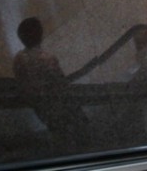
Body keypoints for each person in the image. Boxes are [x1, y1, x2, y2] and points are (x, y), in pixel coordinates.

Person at [14, 17, 90, 150]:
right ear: (40, 34)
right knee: (74, 131)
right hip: (56, 104)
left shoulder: (18, 59)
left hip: (38, 105)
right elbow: (61, 84)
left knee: (58, 131)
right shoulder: (47, 59)